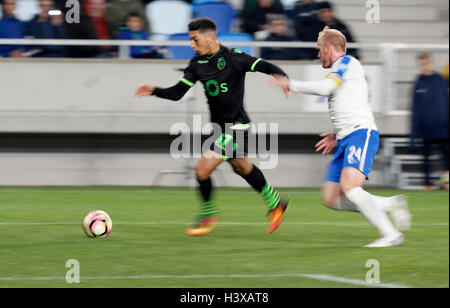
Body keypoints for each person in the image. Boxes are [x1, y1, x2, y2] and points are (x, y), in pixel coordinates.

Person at [135, 18, 289, 236]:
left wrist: (282, 78)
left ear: (211, 37)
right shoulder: (196, 64)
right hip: (220, 129)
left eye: (195, 40)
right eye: (191, 40)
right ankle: (276, 203)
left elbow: (263, 65)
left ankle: (208, 216)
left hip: (237, 127)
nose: (192, 45)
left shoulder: (234, 57)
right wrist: (154, 90)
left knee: (201, 170)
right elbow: (178, 93)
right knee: (242, 168)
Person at [270, 26, 411, 248]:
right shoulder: (341, 70)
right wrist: (336, 136)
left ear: (330, 47)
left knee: (351, 188)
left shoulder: (346, 62)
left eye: (319, 50)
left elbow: (326, 88)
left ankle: (391, 235)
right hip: (345, 138)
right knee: (332, 198)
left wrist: (291, 83)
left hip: (361, 133)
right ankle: (391, 204)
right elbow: (350, 102)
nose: (318, 55)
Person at [410, 52, 449, 190]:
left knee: (446, 157)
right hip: (426, 129)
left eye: (426, 63)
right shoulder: (418, 83)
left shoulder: (441, 80)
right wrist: (413, 136)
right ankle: (427, 184)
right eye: (422, 64)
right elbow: (415, 110)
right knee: (426, 158)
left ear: (431, 63)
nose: (424, 66)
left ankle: (446, 182)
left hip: (443, 127)